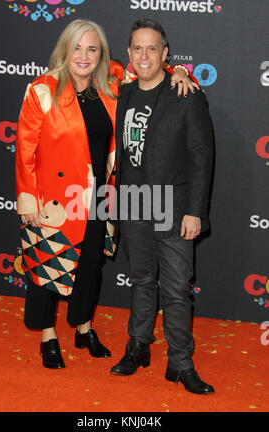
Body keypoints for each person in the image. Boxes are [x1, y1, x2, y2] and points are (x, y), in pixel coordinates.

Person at [15, 19, 193, 369]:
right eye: (77, 47)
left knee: (90, 266)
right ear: (64, 49)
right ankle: (48, 336)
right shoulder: (42, 90)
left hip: (98, 198)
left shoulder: (111, 82)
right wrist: (28, 200)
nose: (84, 56)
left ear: (102, 55)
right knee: (46, 268)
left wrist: (180, 71)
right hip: (53, 199)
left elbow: (149, 67)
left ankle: (83, 328)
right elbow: (24, 150)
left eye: (92, 49)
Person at [110, 19, 215, 395]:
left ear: (165, 54)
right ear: (128, 54)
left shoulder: (185, 93)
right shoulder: (120, 92)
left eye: (152, 48)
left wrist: (195, 211)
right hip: (132, 202)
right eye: (137, 48)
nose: (144, 55)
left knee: (175, 290)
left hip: (173, 206)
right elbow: (83, 66)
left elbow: (202, 156)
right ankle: (138, 346)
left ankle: (180, 362)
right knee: (140, 281)